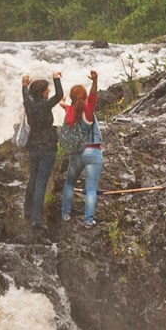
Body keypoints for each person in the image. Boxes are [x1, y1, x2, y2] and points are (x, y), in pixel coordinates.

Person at [19, 71, 62, 226]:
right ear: (41, 92)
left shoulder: (29, 105)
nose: (48, 91)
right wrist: (56, 78)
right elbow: (59, 95)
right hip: (47, 148)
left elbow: (25, 95)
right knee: (41, 182)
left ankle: (27, 212)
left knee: (33, 179)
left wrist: (24, 85)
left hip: (33, 147)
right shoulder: (45, 105)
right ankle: (36, 218)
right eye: (46, 89)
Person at [60, 84, 105, 226]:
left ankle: (65, 214)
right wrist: (95, 81)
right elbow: (93, 96)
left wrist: (62, 102)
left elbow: (66, 106)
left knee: (69, 183)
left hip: (77, 153)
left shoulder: (70, 111)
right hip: (92, 152)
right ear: (85, 97)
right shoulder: (88, 110)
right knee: (91, 187)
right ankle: (88, 220)